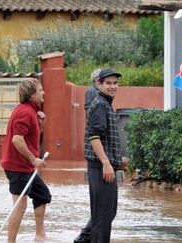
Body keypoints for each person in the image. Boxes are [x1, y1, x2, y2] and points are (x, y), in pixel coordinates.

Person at [0, 78, 52, 243]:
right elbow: (17, 139)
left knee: (42, 195)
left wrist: (42, 125)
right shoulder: (25, 112)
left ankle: (39, 235)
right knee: (20, 206)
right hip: (18, 167)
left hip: (26, 167)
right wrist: (33, 159)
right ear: (31, 95)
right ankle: (11, 241)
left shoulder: (31, 111)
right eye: (40, 90)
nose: (43, 92)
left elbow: (30, 138)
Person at [76, 68, 122, 243]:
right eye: (108, 83)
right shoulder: (100, 104)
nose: (112, 86)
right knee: (102, 217)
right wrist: (106, 163)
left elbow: (104, 138)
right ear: (99, 84)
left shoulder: (104, 103)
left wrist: (117, 160)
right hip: (101, 168)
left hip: (104, 167)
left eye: (115, 83)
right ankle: (84, 240)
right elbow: (94, 137)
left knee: (107, 213)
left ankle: (83, 240)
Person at [74, 68, 101, 243]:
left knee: (101, 207)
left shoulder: (92, 93)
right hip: (96, 157)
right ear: (97, 81)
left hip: (95, 155)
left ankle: (86, 237)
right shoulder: (94, 94)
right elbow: (94, 126)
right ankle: (85, 237)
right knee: (102, 208)